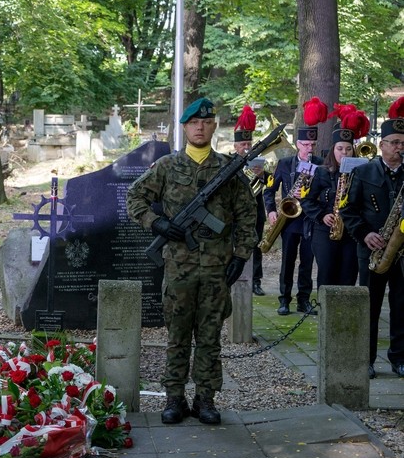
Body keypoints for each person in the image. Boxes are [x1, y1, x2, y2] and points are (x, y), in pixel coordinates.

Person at [127, 98, 256, 426]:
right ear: (184, 127)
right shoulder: (167, 167)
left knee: (210, 335)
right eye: (194, 123)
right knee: (177, 334)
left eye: (206, 122)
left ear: (214, 126)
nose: (200, 127)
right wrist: (157, 224)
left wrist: (241, 256)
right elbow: (135, 198)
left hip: (216, 269)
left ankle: (205, 398)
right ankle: (174, 398)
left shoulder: (229, 169)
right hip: (179, 267)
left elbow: (246, 215)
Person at [340, 99, 404, 380]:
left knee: (402, 307)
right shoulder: (362, 172)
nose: (400, 148)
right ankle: (365, 359)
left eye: (403, 143)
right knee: (370, 306)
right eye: (395, 142)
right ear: (382, 145)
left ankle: (399, 358)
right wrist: (366, 234)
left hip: (402, 252)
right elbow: (348, 210)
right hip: (373, 250)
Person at [263, 97, 327, 316]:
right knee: (287, 262)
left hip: (310, 219)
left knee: (307, 263)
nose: (309, 148)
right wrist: (271, 210)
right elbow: (269, 190)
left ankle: (304, 300)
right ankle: (284, 299)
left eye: (312, 144)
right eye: (305, 144)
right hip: (289, 220)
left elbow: (327, 192)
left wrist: (311, 196)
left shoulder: (321, 165)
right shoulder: (284, 164)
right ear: (298, 144)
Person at [301, 121, 360, 290]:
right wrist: (322, 215)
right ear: (333, 150)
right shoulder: (321, 172)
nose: (344, 153)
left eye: (348, 149)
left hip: (352, 233)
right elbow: (307, 200)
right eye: (340, 148)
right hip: (325, 231)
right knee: (327, 275)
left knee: (348, 276)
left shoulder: (361, 173)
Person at [233, 105, 266, 296]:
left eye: (248, 144)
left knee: (256, 245)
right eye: (243, 145)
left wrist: (262, 177)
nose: (246, 148)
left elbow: (269, 185)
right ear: (235, 147)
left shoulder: (259, 163)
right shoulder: (229, 162)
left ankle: (256, 280)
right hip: (235, 212)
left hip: (256, 211)